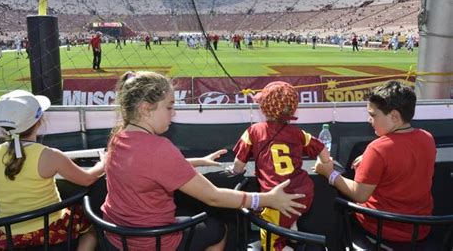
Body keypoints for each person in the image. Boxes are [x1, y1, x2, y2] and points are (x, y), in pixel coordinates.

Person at [101, 71, 307, 251]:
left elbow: (148, 168)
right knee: (217, 229)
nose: (173, 113)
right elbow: (214, 197)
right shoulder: (160, 148)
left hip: (116, 238)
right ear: (146, 109)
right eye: (169, 107)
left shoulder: (118, 137)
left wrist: (199, 161)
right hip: (152, 242)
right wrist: (266, 199)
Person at [0, 90, 106, 250]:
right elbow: (87, 178)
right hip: (50, 230)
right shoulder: (49, 155)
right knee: (92, 230)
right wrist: (103, 163)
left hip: (6, 234)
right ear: (39, 120)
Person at [314, 80, 436, 243]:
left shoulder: (378, 149)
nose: (369, 120)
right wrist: (371, 157)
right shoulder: (427, 138)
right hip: (421, 230)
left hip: (379, 229)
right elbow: (403, 155)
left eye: (373, 115)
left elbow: (359, 194)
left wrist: (329, 173)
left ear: (394, 116)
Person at [229, 81, 330, 250]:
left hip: (278, 198)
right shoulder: (298, 133)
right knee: (287, 219)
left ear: (264, 107)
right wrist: (325, 164)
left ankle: (286, 243)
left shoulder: (253, 131)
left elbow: (238, 166)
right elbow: (321, 148)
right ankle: (292, 226)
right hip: (304, 192)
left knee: (270, 243)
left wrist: (234, 171)